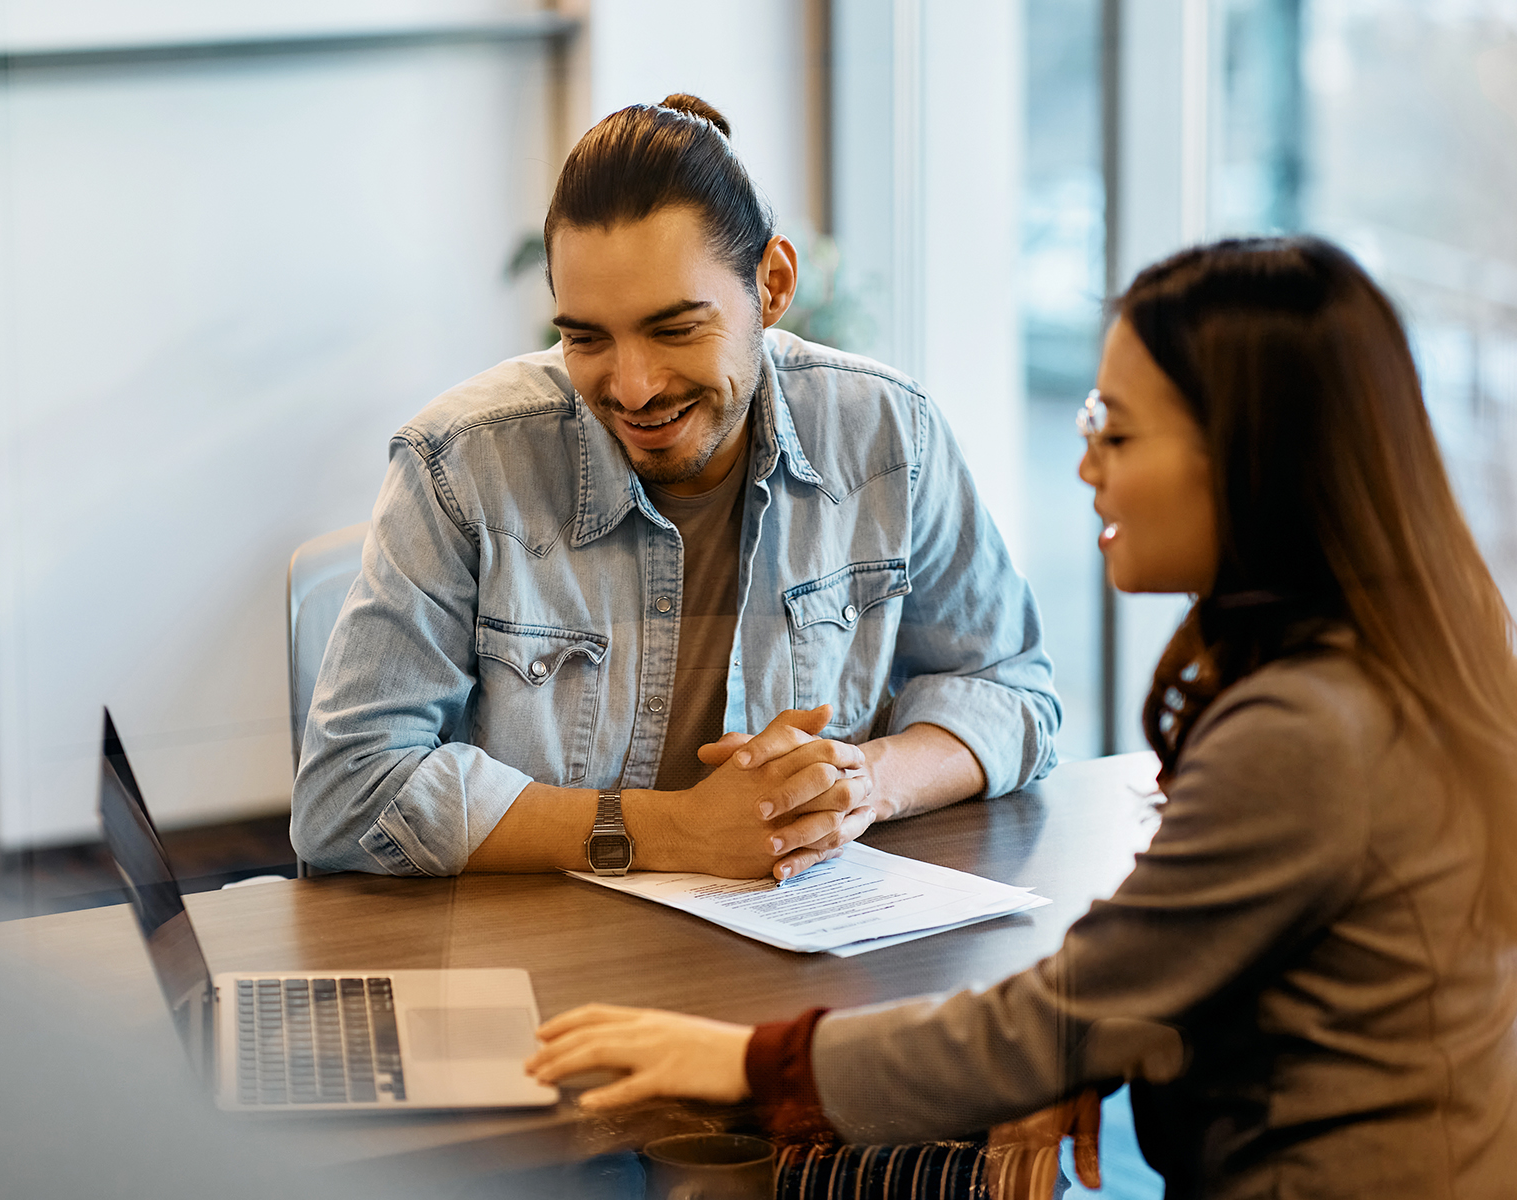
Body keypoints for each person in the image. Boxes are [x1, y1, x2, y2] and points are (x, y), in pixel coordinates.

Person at [525, 236, 1517, 1196]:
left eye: (1116, 432)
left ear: (1250, 458)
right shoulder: (1397, 662)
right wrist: (1098, 1029)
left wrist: (742, 1060)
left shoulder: (1304, 731)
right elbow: (1153, 969)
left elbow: (1047, 1020)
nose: (1084, 463)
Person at [291, 95, 1059, 880]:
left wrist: (867, 785)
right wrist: (665, 831)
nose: (631, 388)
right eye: (585, 337)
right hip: (545, 958)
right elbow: (346, 792)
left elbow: (1010, 688)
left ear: (772, 284)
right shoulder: (459, 464)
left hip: (795, 953)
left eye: (675, 328)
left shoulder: (888, 436)